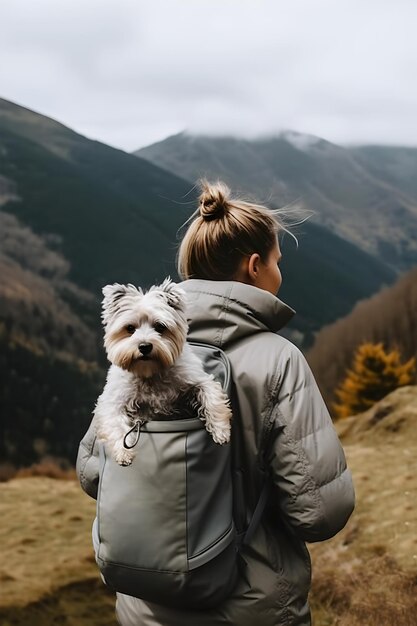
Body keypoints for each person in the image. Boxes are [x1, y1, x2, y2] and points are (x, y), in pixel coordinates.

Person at [78, 180, 355, 626]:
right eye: (277, 262)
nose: (279, 273)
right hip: (251, 608)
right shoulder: (278, 359)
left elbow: (91, 475)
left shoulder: (135, 351)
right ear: (254, 267)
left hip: (143, 607)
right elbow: (320, 512)